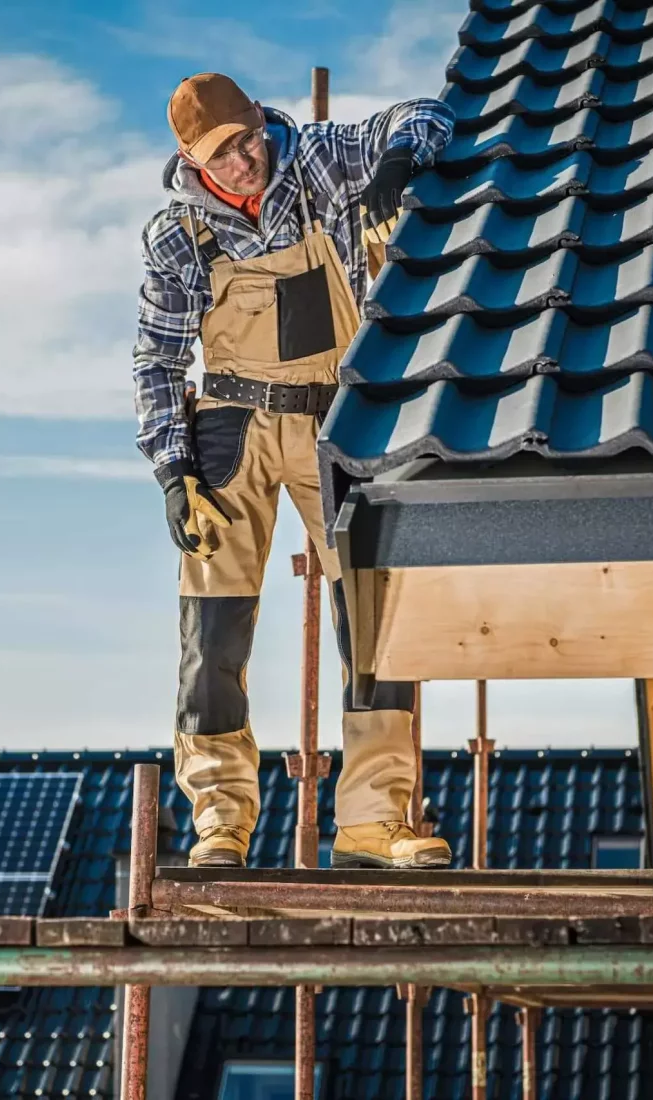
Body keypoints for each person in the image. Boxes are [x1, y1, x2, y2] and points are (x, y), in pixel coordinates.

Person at [133, 72, 455, 870]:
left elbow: (429, 114)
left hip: (332, 418)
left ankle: (373, 820)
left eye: (251, 139)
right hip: (229, 430)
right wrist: (173, 470)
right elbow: (158, 358)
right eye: (227, 154)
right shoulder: (175, 236)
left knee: (375, 616)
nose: (249, 160)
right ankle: (221, 819)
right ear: (191, 159)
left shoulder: (314, 160)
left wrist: (396, 163)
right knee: (214, 630)